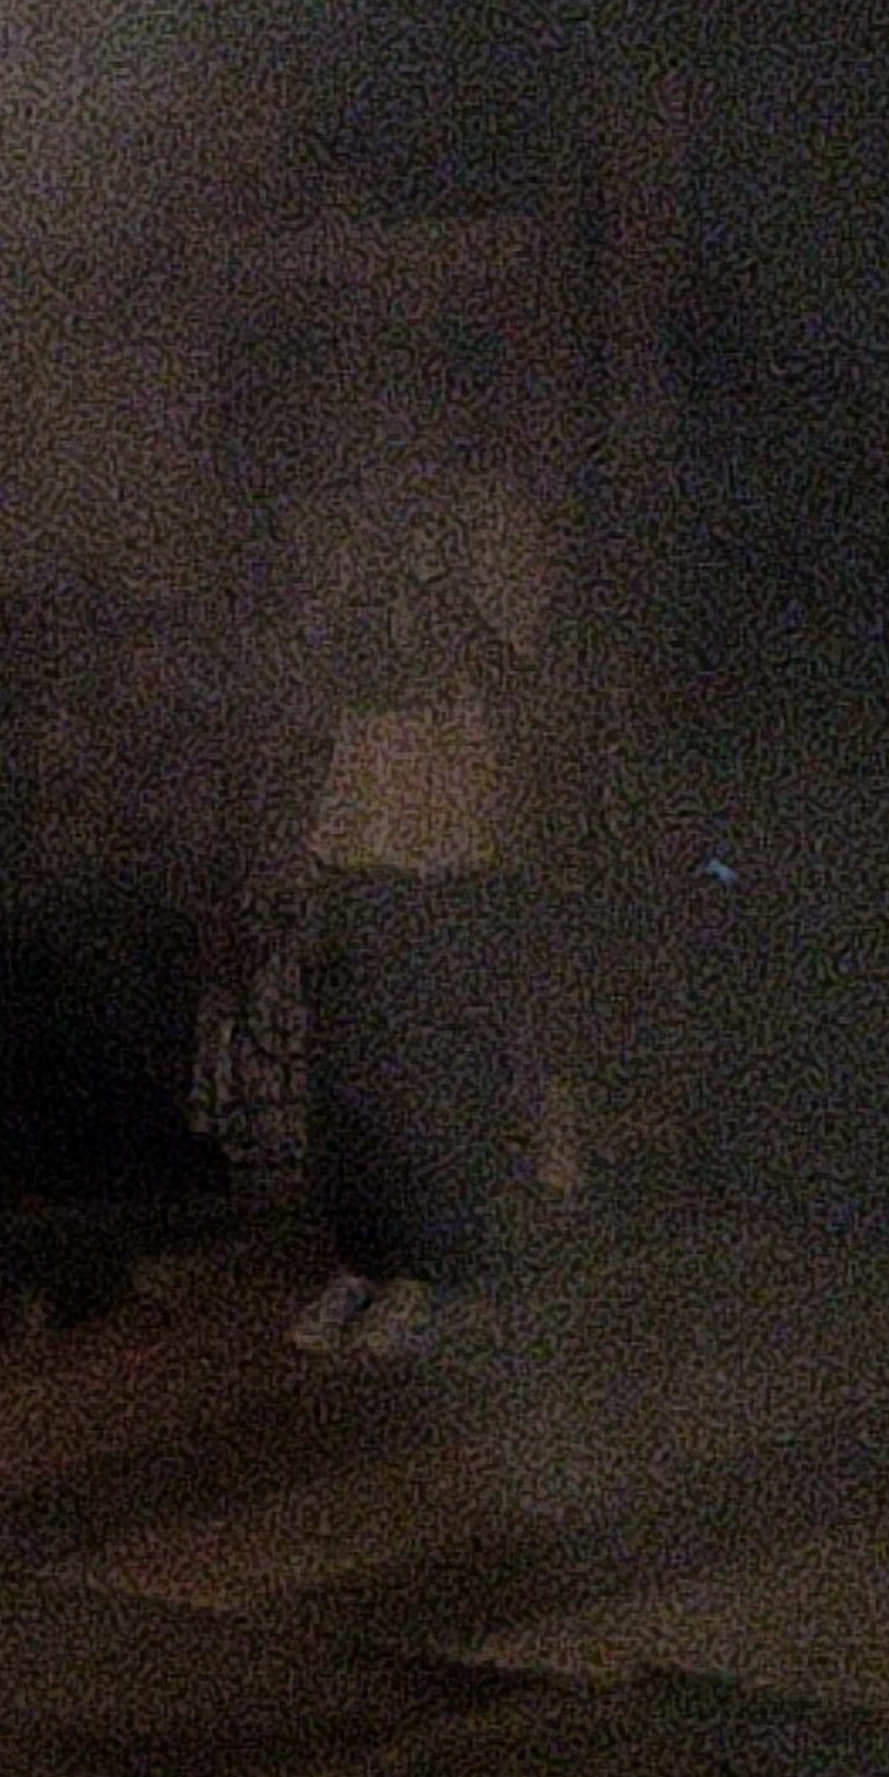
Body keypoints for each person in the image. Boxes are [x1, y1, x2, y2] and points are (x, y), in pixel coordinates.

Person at [285, 438, 549, 1363]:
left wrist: (435, 586)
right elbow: (335, 668)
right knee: (354, 1070)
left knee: (442, 1067)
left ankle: (441, 1273)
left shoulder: (496, 515)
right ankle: (363, 1258)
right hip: (363, 842)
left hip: (458, 847)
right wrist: (370, 572)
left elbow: (503, 664)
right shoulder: (359, 522)